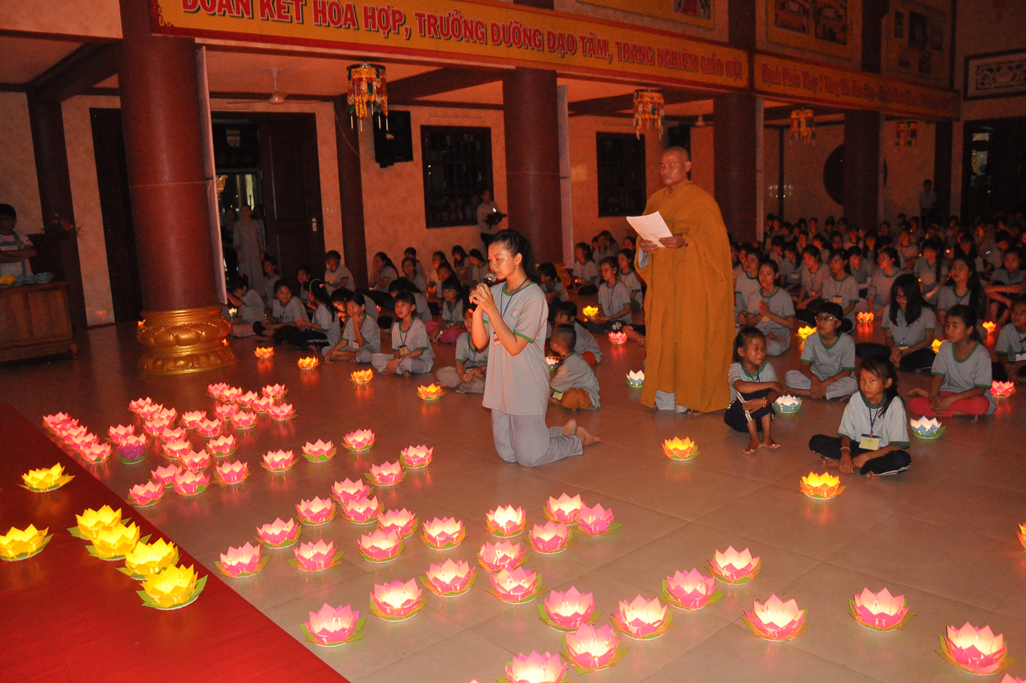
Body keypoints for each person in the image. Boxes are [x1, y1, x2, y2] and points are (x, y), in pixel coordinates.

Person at [470, 229, 600, 467]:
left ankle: (577, 440)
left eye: (499, 258)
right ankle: (560, 432)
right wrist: (479, 309)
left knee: (530, 458)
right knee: (508, 453)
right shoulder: (495, 293)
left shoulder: (534, 297)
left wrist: (491, 309)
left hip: (526, 383)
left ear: (517, 259)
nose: (492, 265)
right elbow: (479, 343)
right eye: (490, 259)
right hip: (500, 382)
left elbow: (514, 346)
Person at [634, 146, 734, 413]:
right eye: (662, 165)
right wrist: (643, 247)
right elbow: (643, 235)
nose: (665, 170)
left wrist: (685, 240)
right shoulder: (655, 200)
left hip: (692, 289)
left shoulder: (702, 202)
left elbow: (717, 248)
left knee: (691, 341)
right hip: (663, 288)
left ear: (687, 166)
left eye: (672, 165)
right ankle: (665, 397)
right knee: (663, 342)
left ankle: (691, 399)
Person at [809, 355, 912, 478]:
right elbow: (846, 434)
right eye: (862, 379)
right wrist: (845, 454)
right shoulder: (856, 398)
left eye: (872, 380)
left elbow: (897, 445)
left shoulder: (895, 404)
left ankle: (850, 465)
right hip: (857, 446)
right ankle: (870, 467)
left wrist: (867, 457)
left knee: (902, 459)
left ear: (887, 382)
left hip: (882, 451)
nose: (866, 385)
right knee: (816, 442)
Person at [908, 305, 995, 419]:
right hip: (948, 392)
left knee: (981, 404)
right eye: (948, 325)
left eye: (955, 326)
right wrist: (933, 397)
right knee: (913, 404)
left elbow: (980, 389)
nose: (949, 331)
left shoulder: (981, 355)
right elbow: (938, 376)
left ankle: (947, 408)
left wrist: (950, 400)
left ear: (969, 330)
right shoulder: (945, 347)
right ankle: (962, 412)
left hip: (971, 396)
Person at [858, 274, 937, 371]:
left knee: (929, 357)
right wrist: (893, 349)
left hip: (916, 350)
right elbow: (888, 337)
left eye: (904, 297)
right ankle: (898, 363)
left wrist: (908, 350)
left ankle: (896, 363)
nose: (900, 300)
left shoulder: (927, 312)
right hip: (896, 349)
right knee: (862, 348)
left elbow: (928, 340)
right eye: (897, 296)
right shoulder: (889, 310)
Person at [784, 302, 859, 400]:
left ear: (838, 323)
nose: (821, 322)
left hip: (838, 378)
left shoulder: (847, 341)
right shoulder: (811, 339)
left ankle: (806, 392)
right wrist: (814, 379)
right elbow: (803, 366)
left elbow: (847, 372)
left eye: (827, 319)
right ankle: (828, 393)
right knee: (790, 376)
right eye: (819, 318)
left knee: (852, 384)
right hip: (817, 374)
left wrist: (825, 383)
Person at [724, 327, 782, 454]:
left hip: (762, 419)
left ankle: (767, 436)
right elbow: (741, 387)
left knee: (765, 392)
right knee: (746, 392)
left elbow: (778, 390)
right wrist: (770, 384)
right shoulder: (735, 368)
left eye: (763, 348)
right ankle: (754, 438)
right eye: (756, 348)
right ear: (742, 351)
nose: (761, 353)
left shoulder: (767, 367)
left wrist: (764, 401)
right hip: (739, 419)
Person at [737, 260, 796, 357]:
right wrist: (761, 314)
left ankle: (757, 346)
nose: (764, 277)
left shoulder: (784, 296)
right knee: (738, 336)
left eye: (768, 274)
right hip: (759, 333)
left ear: (776, 275)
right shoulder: (754, 295)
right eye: (761, 274)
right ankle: (762, 341)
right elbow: (750, 323)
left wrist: (769, 314)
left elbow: (791, 324)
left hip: (778, 335)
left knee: (774, 347)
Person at [373, 290, 434, 377]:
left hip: (420, 361)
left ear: (412, 307)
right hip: (402, 358)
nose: (399, 309)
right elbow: (396, 350)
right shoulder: (396, 326)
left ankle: (398, 369)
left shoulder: (418, 325)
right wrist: (396, 361)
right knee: (375, 358)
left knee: (407, 362)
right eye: (396, 306)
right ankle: (401, 369)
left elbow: (419, 352)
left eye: (402, 305)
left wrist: (398, 360)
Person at [548, 324, 601, 411]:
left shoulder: (569, 366)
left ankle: (564, 403)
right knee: (560, 392)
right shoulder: (572, 356)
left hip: (589, 395)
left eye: (552, 339)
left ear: (556, 345)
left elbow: (551, 389)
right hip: (577, 388)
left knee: (569, 398)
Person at [436, 307, 488, 394]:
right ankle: (462, 383)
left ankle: (455, 385)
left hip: (484, 373)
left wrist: (480, 369)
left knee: (482, 385)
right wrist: (462, 376)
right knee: (441, 372)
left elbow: (496, 363)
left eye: (473, 318)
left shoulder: (488, 339)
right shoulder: (462, 338)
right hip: (468, 370)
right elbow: (459, 362)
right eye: (466, 318)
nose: (469, 323)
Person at [327, 291, 380, 364]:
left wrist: (355, 324)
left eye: (353, 308)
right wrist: (329, 352)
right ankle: (351, 357)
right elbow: (343, 342)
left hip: (368, 350)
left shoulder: (369, 321)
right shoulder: (350, 321)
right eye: (348, 309)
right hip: (354, 349)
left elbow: (361, 343)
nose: (350, 311)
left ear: (362, 307)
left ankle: (345, 355)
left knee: (366, 355)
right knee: (325, 350)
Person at [819, 249, 859, 331]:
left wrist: (837, 317)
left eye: (836, 261)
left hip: (845, 318)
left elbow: (852, 305)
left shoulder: (851, 281)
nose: (833, 264)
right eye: (831, 262)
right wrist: (829, 317)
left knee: (844, 325)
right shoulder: (828, 281)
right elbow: (826, 302)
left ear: (845, 262)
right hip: (830, 318)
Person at [553, 301, 601, 366]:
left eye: (561, 316)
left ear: (571, 318)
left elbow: (578, 351)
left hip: (590, 354)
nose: (557, 319)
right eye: (556, 315)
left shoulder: (577, 332)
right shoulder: (560, 325)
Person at [233, 205, 265, 294]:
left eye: (247, 210)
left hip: (255, 251)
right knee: (246, 270)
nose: (245, 213)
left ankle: (259, 293)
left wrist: (262, 252)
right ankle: (246, 292)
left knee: (256, 271)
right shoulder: (238, 225)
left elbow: (260, 238)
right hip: (244, 252)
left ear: (250, 211)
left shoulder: (256, 224)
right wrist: (239, 253)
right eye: (243, 211)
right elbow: (236, 240)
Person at [994, 295, 1026, 383]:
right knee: (992, 368)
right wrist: (1009, 369)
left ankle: (1020, 379)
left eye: (1022, 313)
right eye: (1014, 312)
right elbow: (1001, 354)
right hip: (1012, 365)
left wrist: (1021, 363)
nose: (1016, 316)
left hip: (1023, 365)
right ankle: (1018, 378)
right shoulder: (1007, 329)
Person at [0, 205, 36, 279]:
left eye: (12, 219)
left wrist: (7, 252)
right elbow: (2, 258)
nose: (10, 222)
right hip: (4, 281)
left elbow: (32, 252)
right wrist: (23, 254)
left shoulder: (22, 236)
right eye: (6, 219)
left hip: (27, 279)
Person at [427, 277, 465, 344]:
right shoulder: (446, 303)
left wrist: (442, 332)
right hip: (449, 326)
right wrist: (437, 328)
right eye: (444, 291)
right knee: (427, 325)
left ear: (457, 292)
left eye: (449, 291)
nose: (446, 293)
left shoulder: (461, 304)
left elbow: (459, 325)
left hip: (460, 329)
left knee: (452, 334)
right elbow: (445, 321)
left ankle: (440, 337)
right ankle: (438, 336)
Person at [867, 247, 901, 317]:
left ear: (892, 260)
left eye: (883, 259)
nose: (880, 261)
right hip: (876, 306)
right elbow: (871, 291)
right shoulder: (877, 272)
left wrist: (883, 309)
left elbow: (897, 296)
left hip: (892, 307)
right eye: (880, 258)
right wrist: (870, 306)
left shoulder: (899, 275)